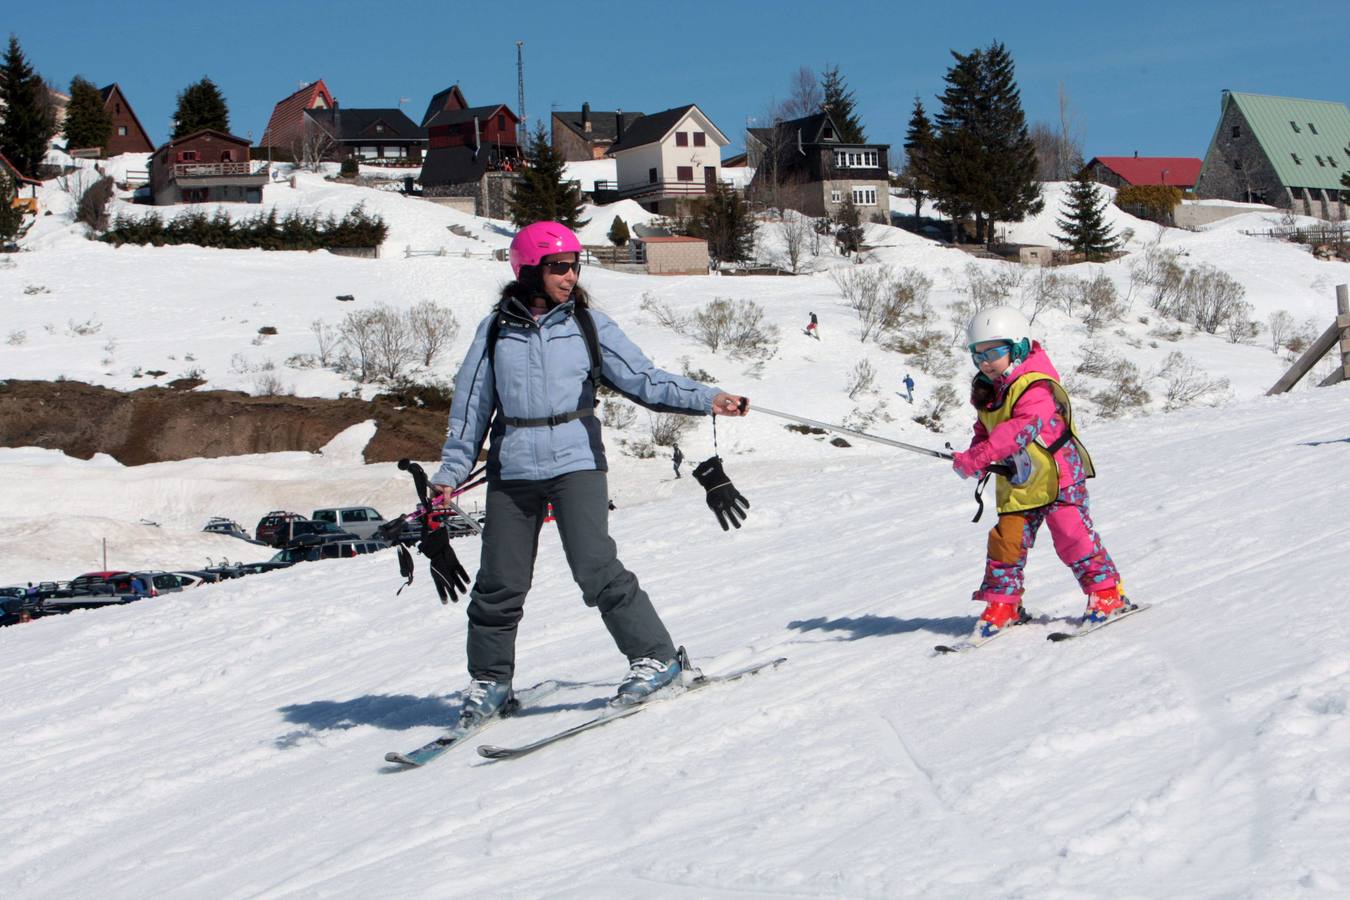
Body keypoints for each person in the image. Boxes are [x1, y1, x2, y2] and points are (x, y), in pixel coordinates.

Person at [431, 220, 750, 728]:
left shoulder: (587, 325)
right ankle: (490, 681)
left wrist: (707, 398)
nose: (570, 275)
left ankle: (656, 658)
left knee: (595, 566)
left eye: (575, 265)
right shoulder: (495, 332)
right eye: (559, 266)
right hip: (512, 468)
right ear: (529, 270)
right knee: (499, 581)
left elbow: (645, 379)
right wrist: (451, 471)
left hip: (576, 462)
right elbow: (471, 408)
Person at [950, 306, 1127, 640]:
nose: (985, 362)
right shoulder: (989, 389)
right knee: (1006, 543)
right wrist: (974, 456)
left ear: (1017, 347)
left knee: (1072, 534)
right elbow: (986, 430)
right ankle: (1004, 604)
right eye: (978, 355)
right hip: (1019, 481)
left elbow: (1022, 428)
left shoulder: (1036, 384)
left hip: (1058, 476)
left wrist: (983, 455)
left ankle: (1106, 593)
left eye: (993, 353)